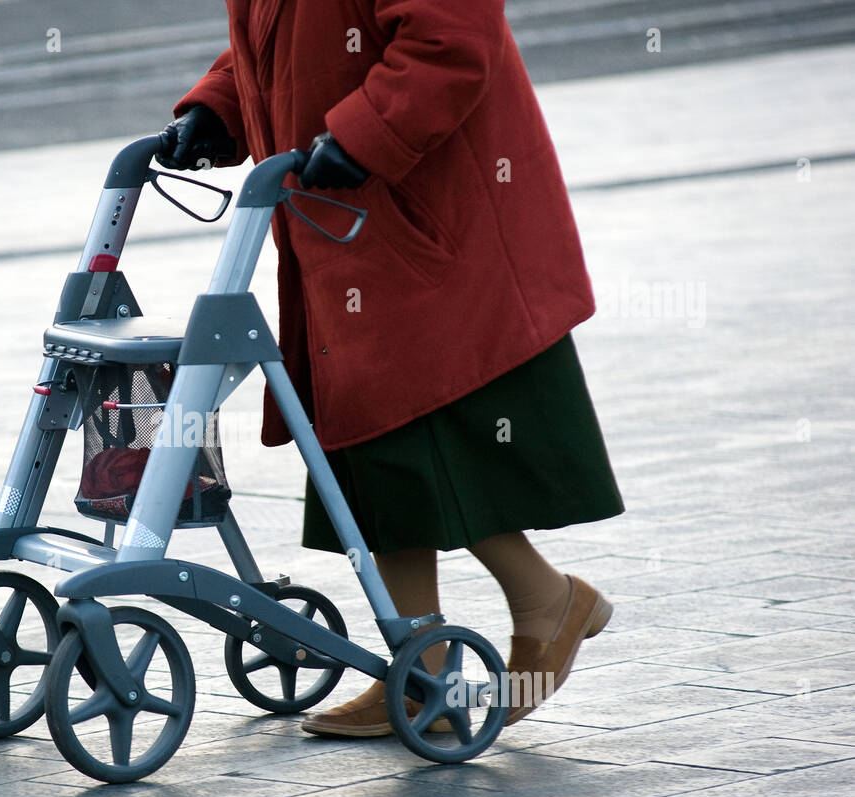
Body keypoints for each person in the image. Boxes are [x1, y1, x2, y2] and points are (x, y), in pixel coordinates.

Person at [157, 0, 623, 734]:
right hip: (349, 221)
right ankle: (421, 664)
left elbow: (452, 39)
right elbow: (273, 51)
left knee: (435, 432)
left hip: (431, 212)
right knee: (367, 440)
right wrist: (218, 109)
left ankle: (545, 599)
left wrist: (365, 132)